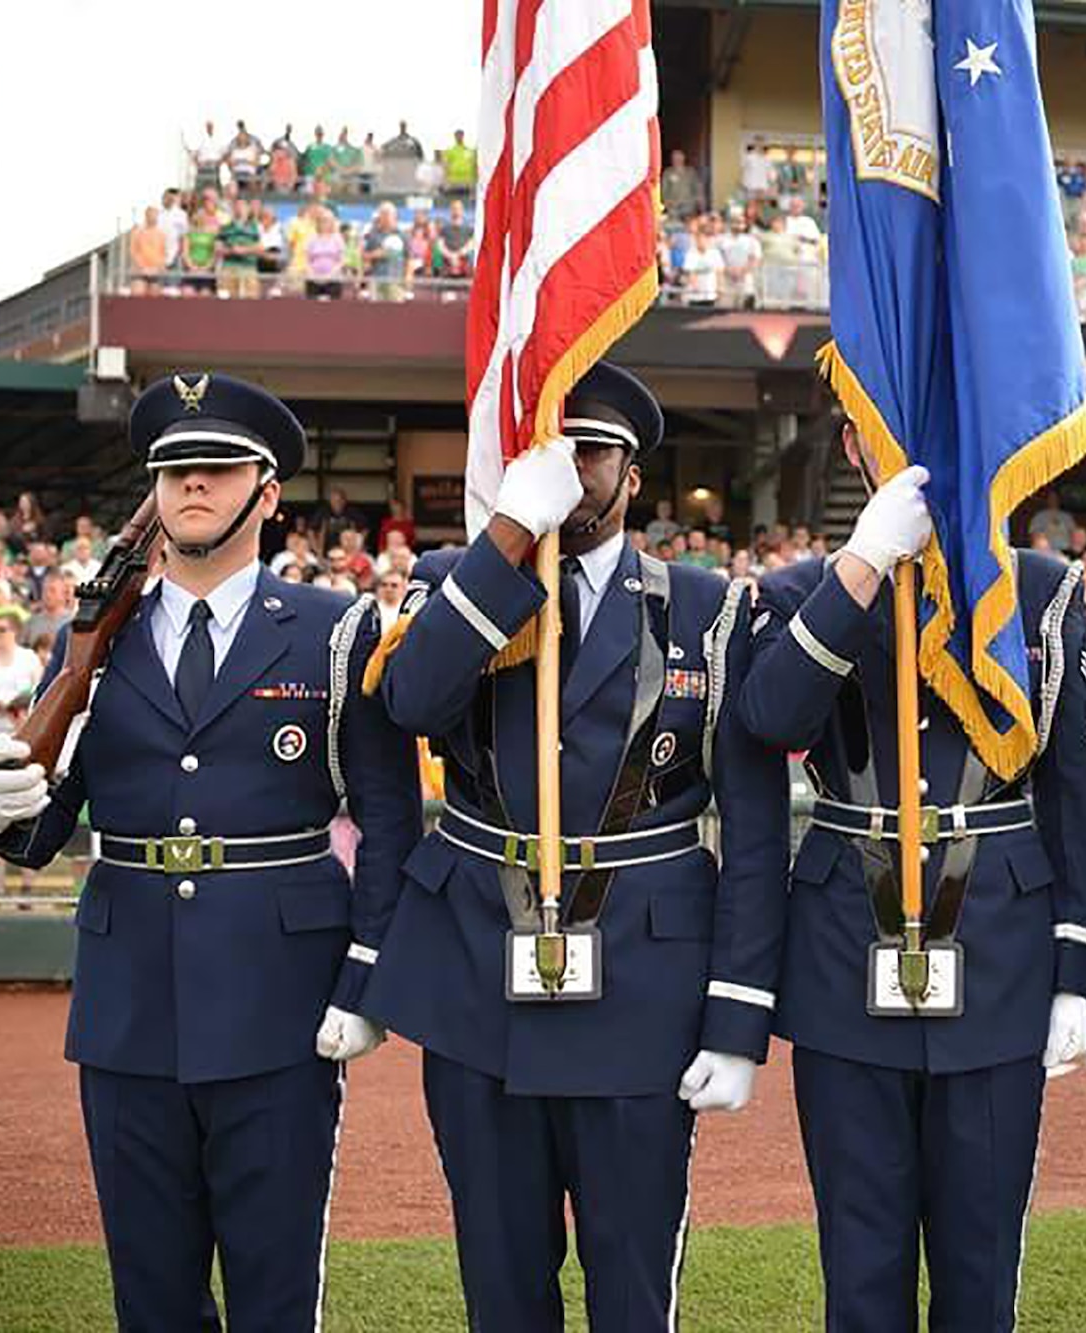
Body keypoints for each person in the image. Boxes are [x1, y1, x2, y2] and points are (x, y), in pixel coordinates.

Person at [0, 372, 422, 1331]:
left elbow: (388, 820)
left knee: (274, 1282)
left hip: (283, 997)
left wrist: (367, 975)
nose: (191, 489)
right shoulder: (93, 635)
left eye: (215, 469)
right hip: (130, 998)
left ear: (267, 491)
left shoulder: (338, 632)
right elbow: (44, 827)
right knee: (153, 1291)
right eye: (173, 472)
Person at [357, 362, 786, 1330]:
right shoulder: (454, 582)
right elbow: (412, 704)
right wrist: (506, 542)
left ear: (634, 475)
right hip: (477, 975)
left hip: (643, 982)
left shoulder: (706, 609)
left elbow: (755, 834)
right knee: (500, 1288)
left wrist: (735, 1017)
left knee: (632, 1288)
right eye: (547, 451)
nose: (570, 469)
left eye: (590, 450)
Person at [736, 408, 1086, 1331]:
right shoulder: (797, 592)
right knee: (860, 1268)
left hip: (1002, 953)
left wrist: (1075, 970)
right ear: (852, 446)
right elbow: (772, 718)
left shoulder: (1042, 590)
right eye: (883, 427)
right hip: (842, 954)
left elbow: (1076, 798)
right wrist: (859, 566)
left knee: (982, 1273)